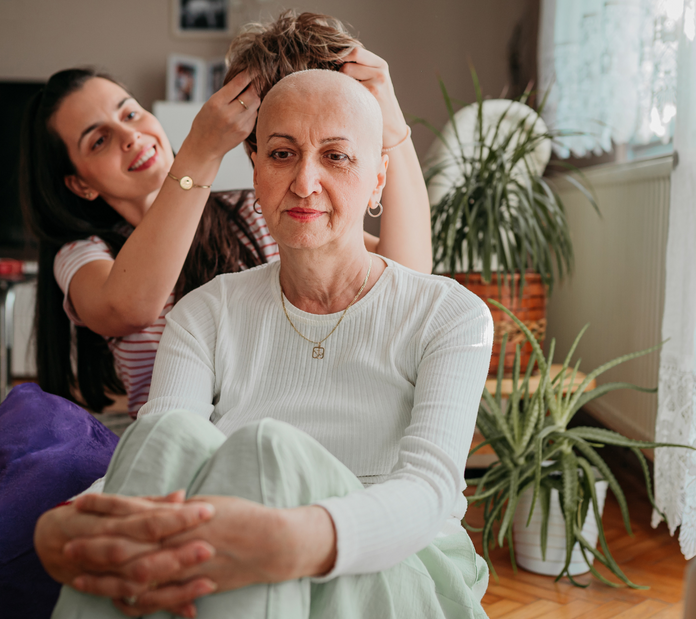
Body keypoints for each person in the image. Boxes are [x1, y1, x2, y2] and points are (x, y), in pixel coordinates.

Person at [0, 12, 433, 619]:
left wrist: (393, 129)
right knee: (38, 426)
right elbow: (130, 304)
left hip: (245, 453)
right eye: (98, 139)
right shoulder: (85, 255)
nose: (129, 134)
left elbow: (404, 277)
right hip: (158, 451)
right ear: (81, 184)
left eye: (130, 112)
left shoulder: (259, 211)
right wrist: (199, 147)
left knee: (50, 450)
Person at [39, 68, 492, 618]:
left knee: (265, 451)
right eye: (281, 154)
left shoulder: (451, 315)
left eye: (337, 156)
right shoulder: (203, 312)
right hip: (227, 547)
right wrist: (66, 525)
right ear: (254, 171)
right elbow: (161, 449)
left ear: (378, 178)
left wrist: (287, 539)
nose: (304, 182)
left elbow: (429, 493)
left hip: (403, 566)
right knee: (172, 437)